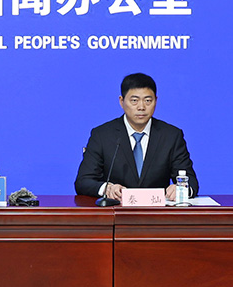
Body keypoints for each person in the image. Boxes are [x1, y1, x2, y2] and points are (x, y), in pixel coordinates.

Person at [75, 73, 198, 201]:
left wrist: (182, 189)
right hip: (116, 208)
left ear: (156, 101)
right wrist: (107, 188)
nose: (141, 107)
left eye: (148, 100)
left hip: (157, 210)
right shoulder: (102, 135)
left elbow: (191, 182)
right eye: (134, 100)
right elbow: (83, 181)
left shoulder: (171, 135)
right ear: (121, 101)